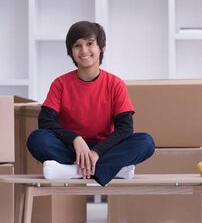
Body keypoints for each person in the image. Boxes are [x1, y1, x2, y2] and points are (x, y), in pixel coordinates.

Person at [26, 21, 155, 187]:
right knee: (37, 139)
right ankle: (113, 169)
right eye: (77, 45)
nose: (84, 50)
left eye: (89, 44)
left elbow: (125, 129)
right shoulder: (60, 84)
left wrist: (96, 152)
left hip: (105, 149)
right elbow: (45, 122)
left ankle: (71, 171)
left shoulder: (115, 84)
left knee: (146, 142)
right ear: (71, 52)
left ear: (102, 47)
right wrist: (75, 138)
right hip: (71, 148)